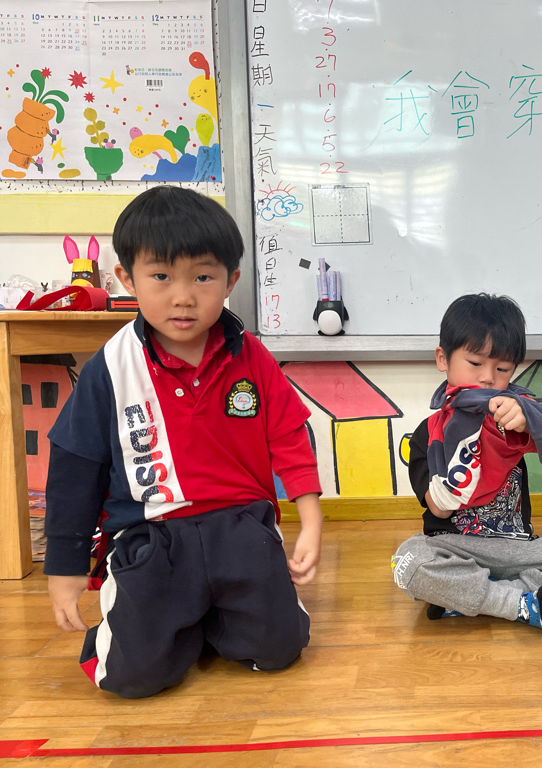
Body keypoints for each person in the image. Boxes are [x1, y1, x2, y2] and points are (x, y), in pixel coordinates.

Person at [44, 186, 323, 698]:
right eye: (160, 276)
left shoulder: (252, 356)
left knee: (279, 651)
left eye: (202, 277)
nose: (183, 296)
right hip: (152, 536)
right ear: (126, 278)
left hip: (241, 527)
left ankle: (211, 613)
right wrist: (65, 568)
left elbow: (288, 436)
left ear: (230, 280)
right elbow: (74, 468)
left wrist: (311, 520)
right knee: (132, 679)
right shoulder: (111, 367)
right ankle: (158, 619)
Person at [391, 293, 542, 629]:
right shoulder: (427, 433)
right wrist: (457, 470)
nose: (488, 377)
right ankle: (517, 602)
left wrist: (526, 417)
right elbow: (438, 509)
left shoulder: (513, 413)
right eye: (475, 363)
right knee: (409, 560)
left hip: (517, 549)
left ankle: (479, 597)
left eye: (502, 369)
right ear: (443, 358)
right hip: (455, 547)